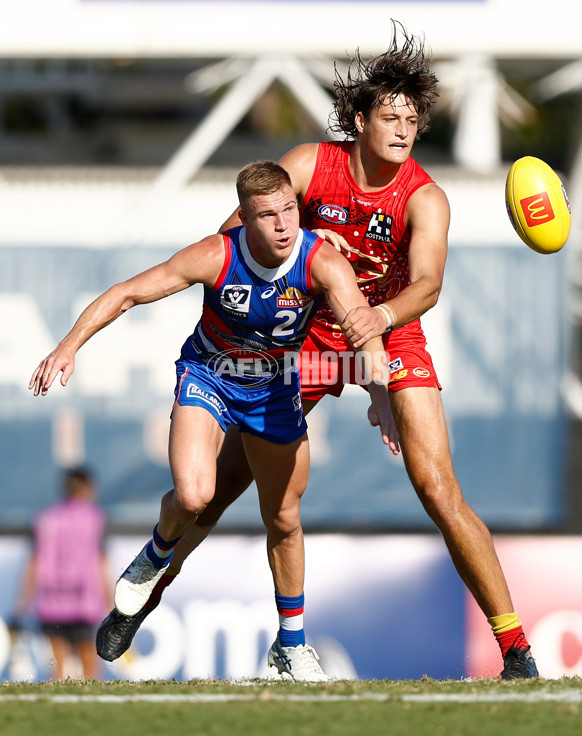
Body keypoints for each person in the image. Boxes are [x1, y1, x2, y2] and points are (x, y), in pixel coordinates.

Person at [94, 22, 538, 680]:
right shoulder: (308, 166)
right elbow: (232, 245)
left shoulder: (426, 198)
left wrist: (375, 337)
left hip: (387, 330)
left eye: (413, 120)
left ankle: (516, 650)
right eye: (390, 116)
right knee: (212, 496)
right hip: (298, 339)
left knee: (439, 487)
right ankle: (143, 596)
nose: (403, 130)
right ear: (358, 120)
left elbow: (429, 286)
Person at [29, 161, 395, 682]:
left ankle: (291, 646)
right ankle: (154, 555)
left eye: (290, 209)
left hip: (274, 384)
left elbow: (365, 329)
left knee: (285, 518)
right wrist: (67, 347)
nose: (284, 225)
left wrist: (379, 393)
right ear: (243, 218)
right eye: (268, 215)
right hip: (210, 375)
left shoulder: (323, 263)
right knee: (196, 496)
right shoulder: (215, 254)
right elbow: (128, 292)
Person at [13, 467, 112, 680]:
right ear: (87, 487)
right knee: (89, 661)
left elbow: (35, 563)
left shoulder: (45, 519)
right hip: (84, 600)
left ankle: (56, 702)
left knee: (57, 661)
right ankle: (91, 704)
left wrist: (24, 601)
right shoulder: (95, 519)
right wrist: (109, 602)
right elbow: (99, 562)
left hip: (52, 601)